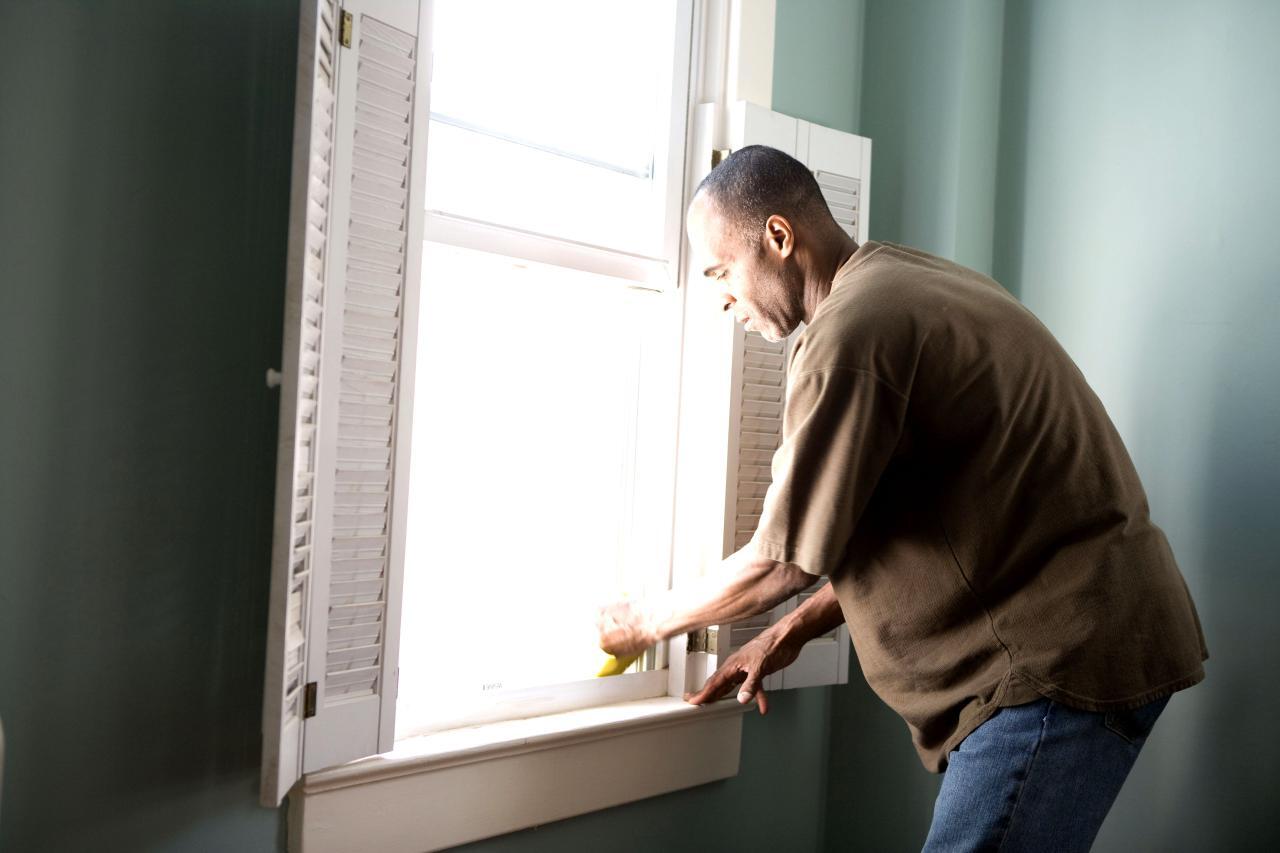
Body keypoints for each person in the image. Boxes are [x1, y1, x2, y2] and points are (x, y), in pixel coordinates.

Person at [596, 145, 1208, 851]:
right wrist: (788, 631)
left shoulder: (853, 333)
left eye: (721, 270)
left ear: (778, 237)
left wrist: (641, 623)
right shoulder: (901, 283)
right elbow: (889, 521)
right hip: (1088, 639)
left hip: (1051, 663)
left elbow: (782, 561)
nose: (722, 297)